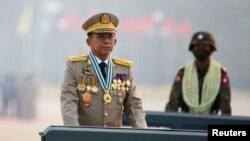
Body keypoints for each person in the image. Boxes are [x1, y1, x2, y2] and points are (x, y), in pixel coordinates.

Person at [60, 12, 148, 128]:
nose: (106, 41)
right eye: (101, 36)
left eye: (110, 36)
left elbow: (133, 105)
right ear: (89, 42)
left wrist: (143, 133)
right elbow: (69, 103)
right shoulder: (75, 67)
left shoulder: (124, 69)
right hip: (86, 137)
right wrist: (75, 134)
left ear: (115, 42)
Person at [165, 31, 231, 115]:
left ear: (211, 48)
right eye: (197, 46)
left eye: (204, 46)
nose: (201, 49)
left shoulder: (220, 74)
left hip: (211, 121)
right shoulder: (184, 73)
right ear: (192, 49)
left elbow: (225, 108)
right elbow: (172, 105)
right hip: (185, 123)